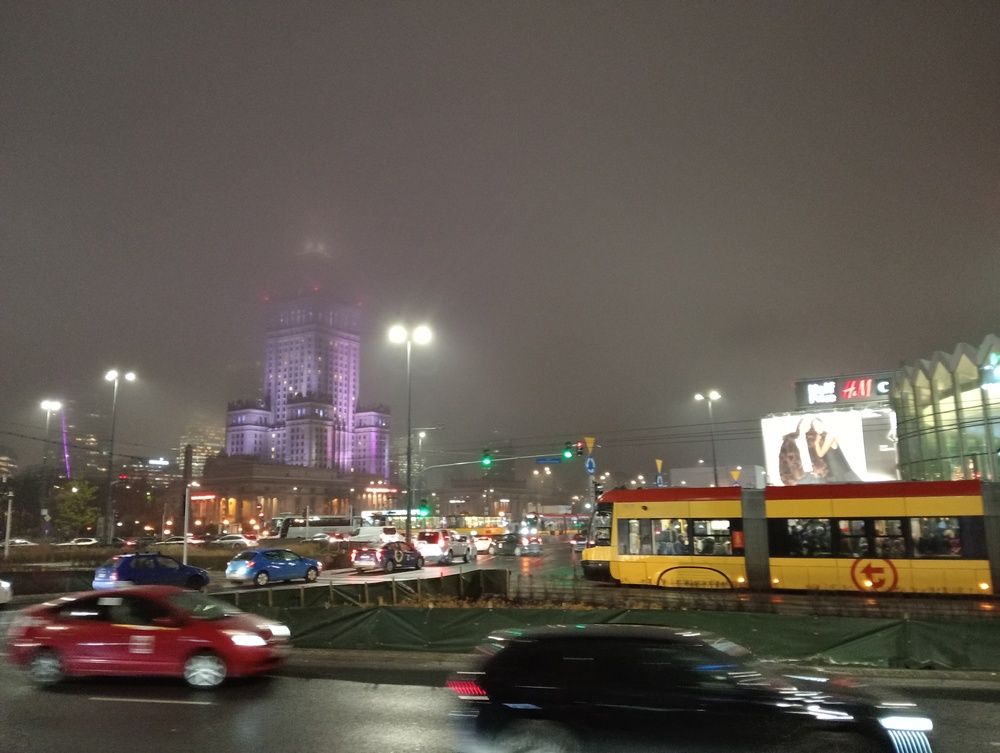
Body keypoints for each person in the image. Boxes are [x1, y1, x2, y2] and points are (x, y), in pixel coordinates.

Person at [807, 418, 861, 483]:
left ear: (822, 425)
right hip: (831, 473)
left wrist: (816, 443)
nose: (817, 428)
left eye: (818, 425)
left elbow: (820, 454)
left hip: (840, 472)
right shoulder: (819, 438)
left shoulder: (829, 436)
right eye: (815, 426)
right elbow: (820, 457)